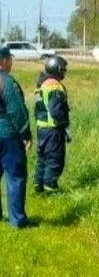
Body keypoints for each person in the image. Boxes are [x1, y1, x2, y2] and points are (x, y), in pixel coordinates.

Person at [0, 46, 32, 228]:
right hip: (8, 136)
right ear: (3, 61)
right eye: (10, 59)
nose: (11, 63)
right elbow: (16, 111)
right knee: (15, 176)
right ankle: (18, 220)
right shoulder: (7, 82)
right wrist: (26, 133)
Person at [34, 55, 70, 193]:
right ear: (57, 69)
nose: (64, 72)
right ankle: (51, 189)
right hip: (54, 128)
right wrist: (65, 126)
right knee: (55, 159)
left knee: (42, 158)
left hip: (42, 128)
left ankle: (39, 186)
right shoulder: (54, 85)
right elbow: (56, 109)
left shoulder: (42, 84)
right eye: (63, 69)